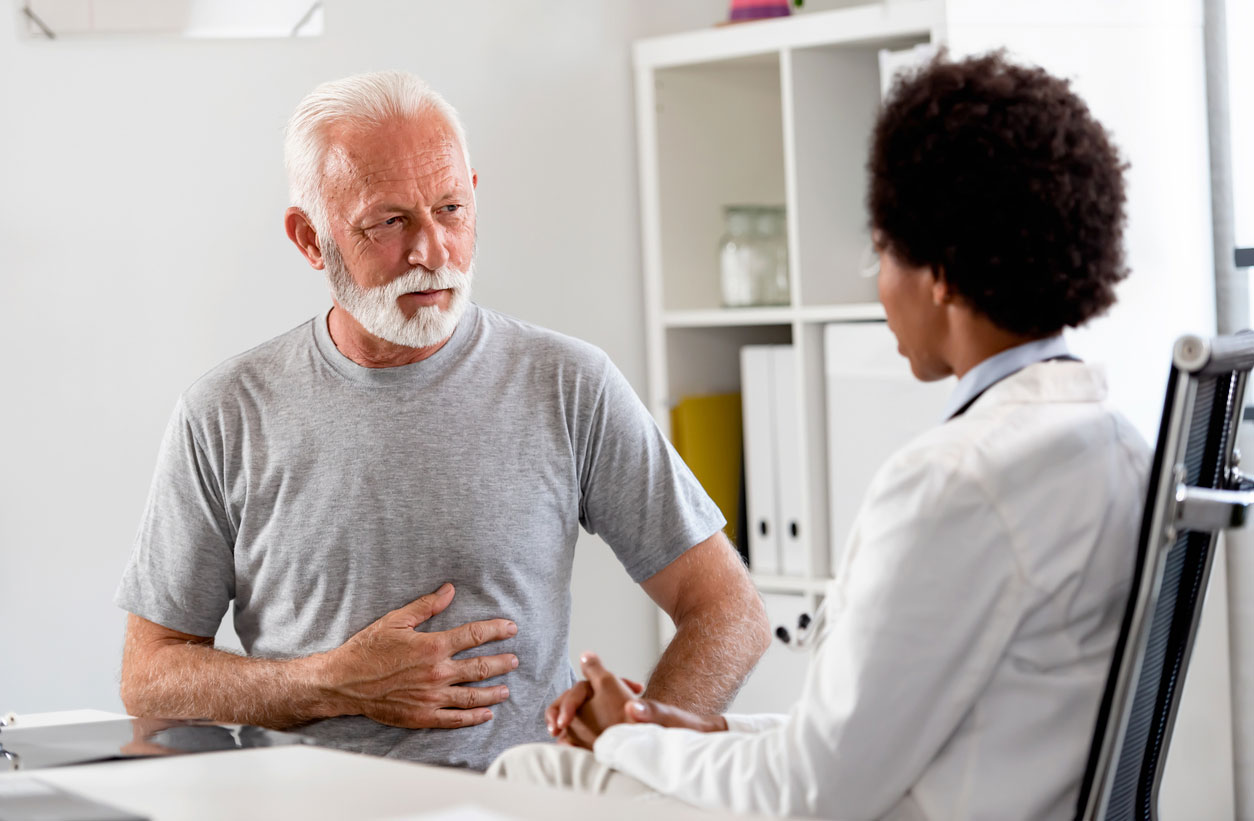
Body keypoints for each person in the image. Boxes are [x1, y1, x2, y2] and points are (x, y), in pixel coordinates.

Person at [489, 51, 1152, 819]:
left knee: (530, 775)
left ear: (939, 268)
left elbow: (807, 794)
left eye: (882, 251)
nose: (879, 286)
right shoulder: (1108, 440)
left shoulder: (956, 482)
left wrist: (619, 740)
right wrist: (707, 730)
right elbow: (863, 740)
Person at [114, 70, 770, 772]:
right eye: (389, 221)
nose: (433, 250)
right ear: (310, 238)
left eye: (451, 209)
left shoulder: (570, 383)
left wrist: (635, 750)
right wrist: (330, 681)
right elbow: (149, 674)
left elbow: (730, 611)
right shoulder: (224, 412)